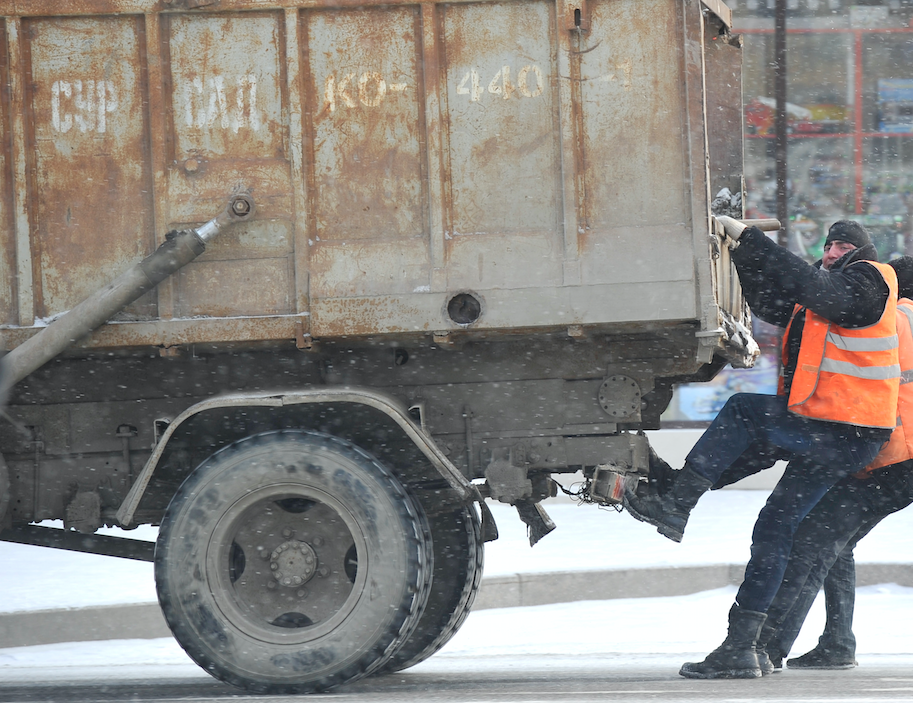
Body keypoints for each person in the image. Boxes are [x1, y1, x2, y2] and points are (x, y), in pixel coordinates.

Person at [624, 219, 901, 679]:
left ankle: (676, 502)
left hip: (848, 429)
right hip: (832, 430)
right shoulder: (824, 293)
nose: (832, 252)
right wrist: (739, 254)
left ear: (863, 250)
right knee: (774, 529)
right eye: (829, 245)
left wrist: (752, 239)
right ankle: (742, 646)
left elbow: (813, 285)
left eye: (842, 245)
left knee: (744, 413)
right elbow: (773, 302)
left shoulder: (871, 280)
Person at [755, 256, 913, 672]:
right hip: (898, 461)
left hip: (890, 460)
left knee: (813, 539)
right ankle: (838, 642)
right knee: (835, 543)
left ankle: (768, 645)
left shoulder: (894, 319)